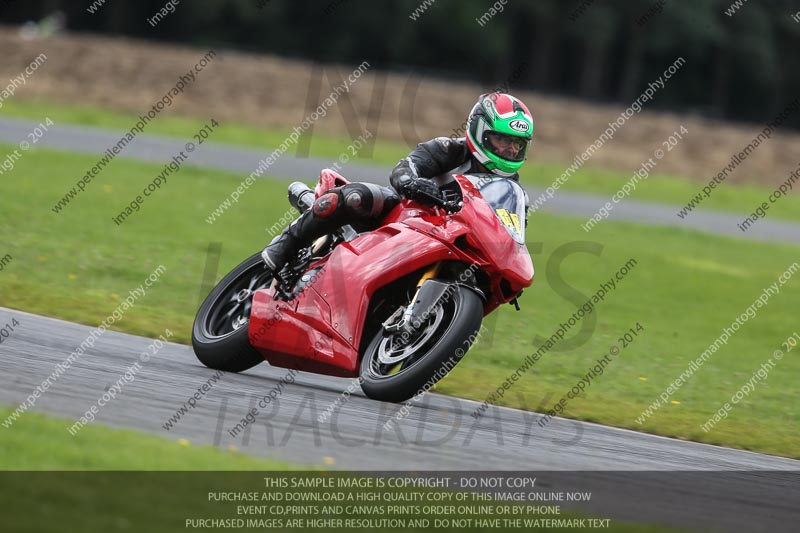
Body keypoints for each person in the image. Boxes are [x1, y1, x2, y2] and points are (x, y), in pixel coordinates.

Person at [261, 92, 534, 274]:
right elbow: (405, 168)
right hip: (404, 217)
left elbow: (510, 235)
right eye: (503, 140)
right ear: (479, 131)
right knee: (355, 196)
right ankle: (287, 242)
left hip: (451, 242)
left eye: (517, 144)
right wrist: (413, 183)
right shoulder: (449, 149)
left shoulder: (514, 193)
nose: (510, 150)